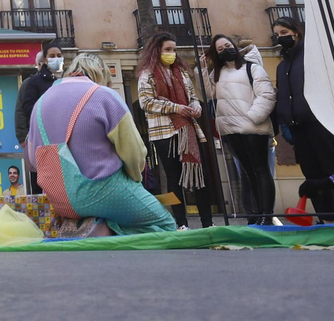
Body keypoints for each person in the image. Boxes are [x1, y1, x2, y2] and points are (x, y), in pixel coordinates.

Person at [25, 52, 175, 235]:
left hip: (61, 200)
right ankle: (108, 232)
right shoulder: (104, 95)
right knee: (164, 222)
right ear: (102, 73)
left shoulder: (40, 103)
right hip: (105, 191)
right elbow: (134, 152)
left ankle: (100, 228)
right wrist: (135, 182)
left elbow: (33, 160)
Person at [269, 16, 334, 222]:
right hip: (298, 128)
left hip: (320, 123)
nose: (280, 37)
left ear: (296, 32)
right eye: (277, 34)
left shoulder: (313, 56)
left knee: (333, 170)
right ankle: (325, 217)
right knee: (312, 175)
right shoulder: (282, 66)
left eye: (284, 33)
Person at [136, 32, 213, 229]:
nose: (172, 53)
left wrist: (196, 106)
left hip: (188, 128)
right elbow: (146, 102)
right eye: (167, 50)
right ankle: (181, 223)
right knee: (173, 177)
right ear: (157, 51)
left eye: (174, 50)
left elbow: (193, 96)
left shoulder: (182, 73)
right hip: (163, 132)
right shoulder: (147, 74)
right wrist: (175, 107)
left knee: (199, 175)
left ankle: (208, 222)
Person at [204, 34, 276, 225]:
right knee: (248, 172)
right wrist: (203, 68)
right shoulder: (216, 75)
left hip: (253, 128)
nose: (225, 49)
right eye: (220, 49)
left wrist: (252, 117)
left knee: (261, 170)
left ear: (234, 46)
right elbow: (208, 93)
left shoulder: (253, 68)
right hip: (231, 131)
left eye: (227, 45)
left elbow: (267, 94)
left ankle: (267, 215)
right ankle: (256, 214)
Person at [14, 44, 64, 182]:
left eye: (59, 56)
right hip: (41, 137)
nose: (56, 59)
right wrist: (23, 137)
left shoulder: (66, 79)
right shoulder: (32, 83)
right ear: (44, 62)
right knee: (43, 178)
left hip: (63, 138)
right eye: (52, 56)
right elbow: (23, 110)